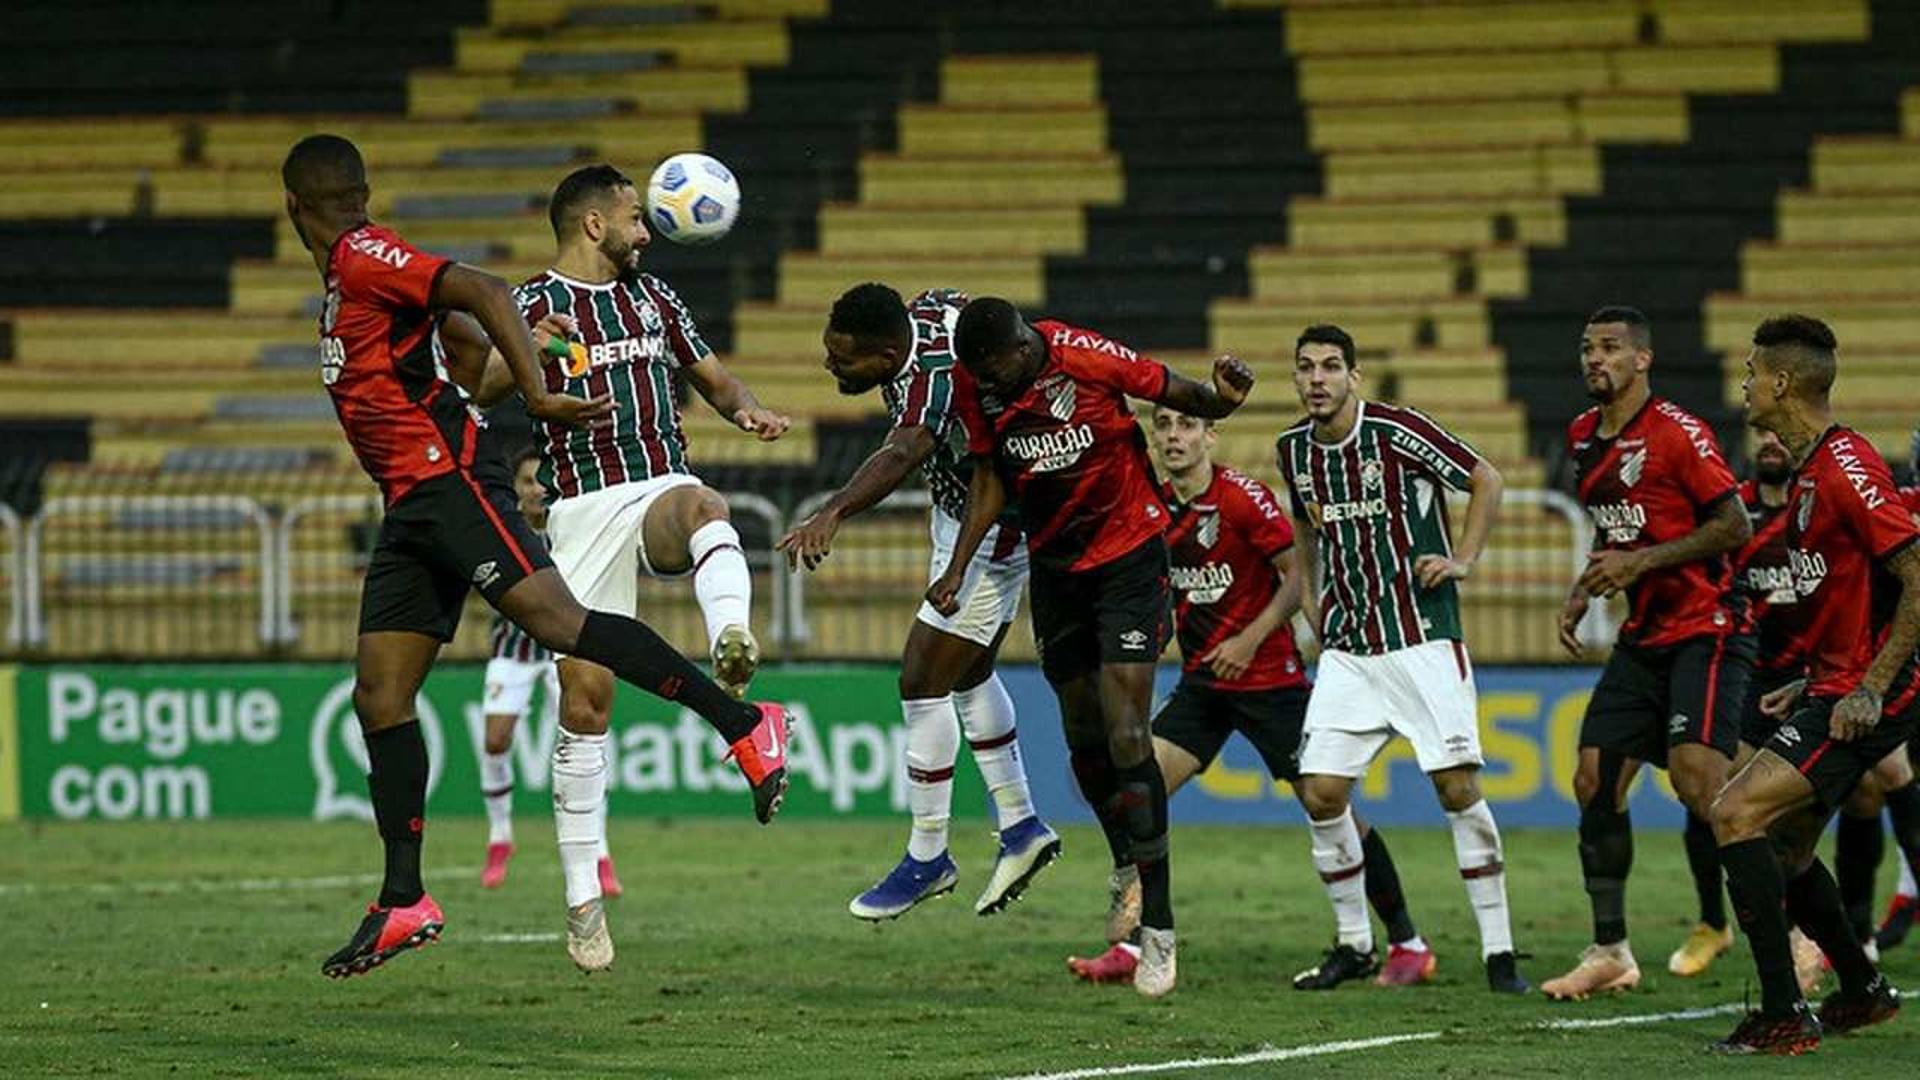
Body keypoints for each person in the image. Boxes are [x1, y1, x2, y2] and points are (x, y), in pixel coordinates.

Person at [282, 135, 789, 981]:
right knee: (380, 694)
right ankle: (403, 898)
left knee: (563, 627)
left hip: (451, 481)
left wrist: (538, 386)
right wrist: (511, 345)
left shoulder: (362, 254)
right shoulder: (352, 276)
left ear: (294, 206)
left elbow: (477, 289)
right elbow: (453, 323)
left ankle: (744, 723)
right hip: (409, 504)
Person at [444, 163, 790, 971]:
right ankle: (581, 900)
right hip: (578, 509)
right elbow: (487, 388)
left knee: (707, 507)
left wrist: (744, 409)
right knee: (585, 705)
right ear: (594, 225)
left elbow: (710, 376)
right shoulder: (529, 304)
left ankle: (733, 638)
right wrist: (530, 352)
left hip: (657, 484)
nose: (647, 232)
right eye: (637, 218)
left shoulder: (657, 299)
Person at [932, 298, 1254, 997]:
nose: (1006, 373)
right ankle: (1127, 866)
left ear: (1024, 343)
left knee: (1127, 729)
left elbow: (1172, 387)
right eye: (990, 369)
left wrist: (1221, 404)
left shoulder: (1081, 353)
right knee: (1082, 736)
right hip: (1056, 569)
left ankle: (1160, 930)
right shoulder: (974, 385)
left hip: (1130, 557)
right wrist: (958, 567)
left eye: (1012, 358)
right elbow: (989, 478)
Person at [1065, 404, 1433, 989]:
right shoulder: (1154, 508)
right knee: (1138, 793)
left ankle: (1407, 941)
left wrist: (1249, 638)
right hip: (1205, 686)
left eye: (1187, 426)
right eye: (1163, 426)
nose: (1174, 436)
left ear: (1210, 435)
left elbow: (1294, 580)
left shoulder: (1243, 498)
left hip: (1269, 681)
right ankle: (1141, 943)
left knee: (1325, 802)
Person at [779, 283, 1058, 921]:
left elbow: (905, 449)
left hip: (995, 527)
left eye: (844, 360)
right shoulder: (926, 309)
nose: (831, 366)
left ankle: (928, 854)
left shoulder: (931, 375)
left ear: (886, 352)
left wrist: (834, 510)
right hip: (957, 513)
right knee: (969, 675)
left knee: (920, 678)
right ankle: (1020, 826)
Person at [1276, 324, 1525, 995]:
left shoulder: (1396, 430)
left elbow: (1486, 477)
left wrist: (1464, 558)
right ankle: (1355, 943)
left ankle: (1500, 954)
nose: (1318, 379)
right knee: (1321, 793)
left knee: (1457, 788)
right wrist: (1312, 602)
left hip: (1421, 641)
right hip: (1351, 652)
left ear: (1355, 376)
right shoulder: (1293, 449)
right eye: (1306, 368)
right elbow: (1302, 525)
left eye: (1331, 367)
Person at [1707, 313, 1916, 1053]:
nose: (1745, 385)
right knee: (1790, 847)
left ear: (1783, 382)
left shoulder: (1847, 465)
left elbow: (1916, 576)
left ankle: (1783, 1014)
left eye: (1753, 372)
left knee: (1734, 813)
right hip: (1832, 688)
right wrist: (1811, 682)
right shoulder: (1807, 474)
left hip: (1867, 699)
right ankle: (1862, 992)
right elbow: (1856, 593)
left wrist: (1868, 686)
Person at [1543, 307, 1754, 1000]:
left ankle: (1798, 928)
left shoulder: (1678, 434)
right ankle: (1610, 950)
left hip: (1707, 626)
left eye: (1608, 348)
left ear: (1642, 359)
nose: (1592, 359)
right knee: (1593, 781)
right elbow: (1616, 536)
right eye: (1584, 347)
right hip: (1645, 638)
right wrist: (1585, 588)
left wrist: (1642, 564)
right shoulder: (1581, 437)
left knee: (1702, 786)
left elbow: (1733, 524)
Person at [475, 446, 621, 900]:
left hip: (568, 650)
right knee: (496, 740)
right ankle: (500, 839)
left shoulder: (574, 529)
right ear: (515, 490)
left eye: (542, 481)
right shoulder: (504, 533)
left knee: (588, 744)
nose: (535, 489)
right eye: (526, 482)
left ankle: (600, 851)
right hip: (514, 647)